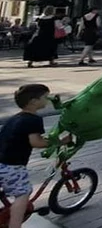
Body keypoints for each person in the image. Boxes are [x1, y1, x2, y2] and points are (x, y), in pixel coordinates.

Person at [0, 84, 52, 228]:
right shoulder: (33, 119)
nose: (47, 100)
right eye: (45, 97)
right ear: (34, 101)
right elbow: (36, 142)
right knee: (23, 194)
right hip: (12, 166)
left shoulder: (15, 118)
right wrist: (58, 142)